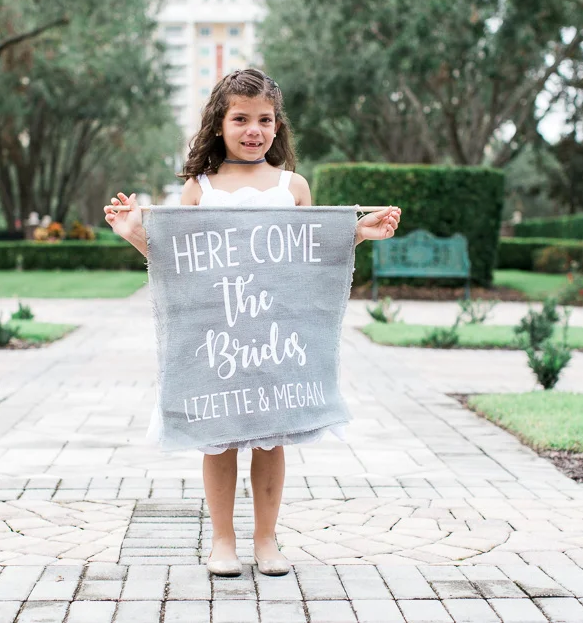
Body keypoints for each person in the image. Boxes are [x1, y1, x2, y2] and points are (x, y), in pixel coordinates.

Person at [104, 68, 401, 577]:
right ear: (219, 124)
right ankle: (223, 541)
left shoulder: (293, 186)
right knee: (218, 441)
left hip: (276, 339)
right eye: (240, 118)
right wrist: (134, 233)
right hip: (217, 340)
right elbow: (178, 263)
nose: (253, 130)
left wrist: (357, 232)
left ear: (277, 125)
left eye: (264, 119)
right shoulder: (199, 189)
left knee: (271, 438)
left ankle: (267, 540)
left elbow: (309, 255)